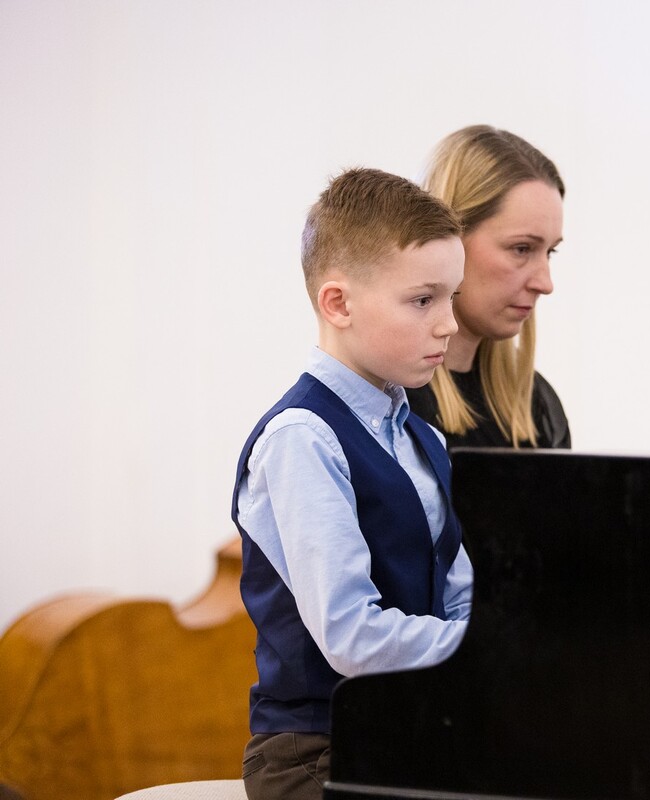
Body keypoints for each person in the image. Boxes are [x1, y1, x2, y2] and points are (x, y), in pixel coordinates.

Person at [231, 168, 472, 800]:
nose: (449, 323)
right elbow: (351, 634)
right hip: (316, 750)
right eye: (423, 300)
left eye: (452, 297)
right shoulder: (302, 437)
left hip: (413, 728)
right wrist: (489, 649)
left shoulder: (423, 437)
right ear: (338, 304)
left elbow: (460, 594)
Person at [406, 125, 571, 449]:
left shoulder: (539, 407)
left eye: (550, 252)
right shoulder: (385, 410)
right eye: (521, 249)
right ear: (449, 240)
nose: (545, 283)